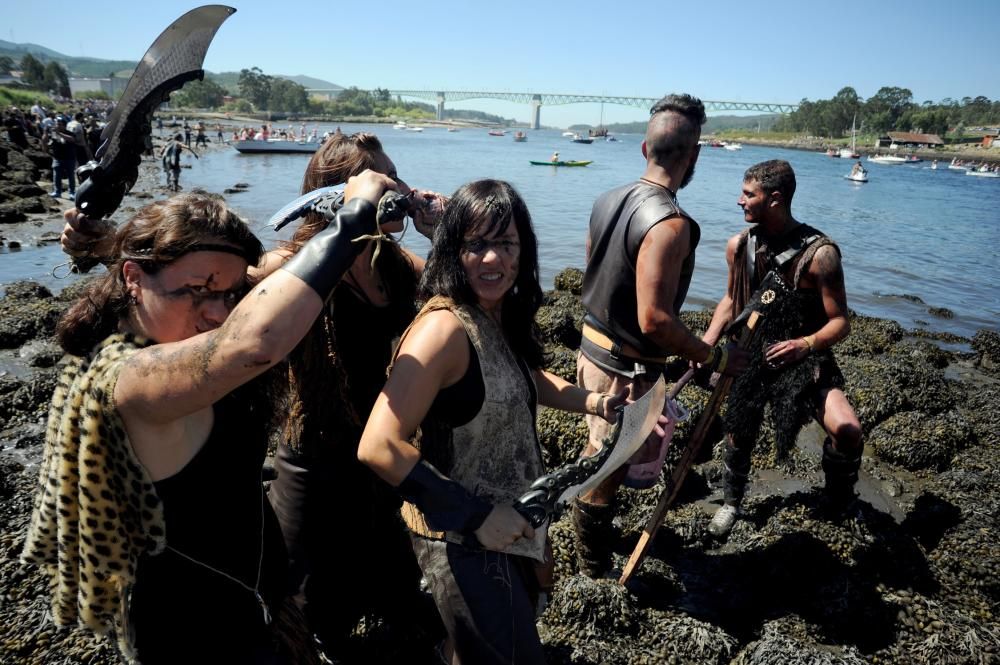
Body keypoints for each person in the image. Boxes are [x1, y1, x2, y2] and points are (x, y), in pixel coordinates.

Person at [21, 172, 397, 663]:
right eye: (198, 290)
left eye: (228, 294)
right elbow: (253, 342)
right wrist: (353, 216)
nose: (217, 313)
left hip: (259, 602)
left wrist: (105, 242)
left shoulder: (172, 320)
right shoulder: (128, 378)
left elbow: (274, 288)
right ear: (133, 279)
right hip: (193, 632)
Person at [357, 179, 629, 665]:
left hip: (510, 528)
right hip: (461, 544)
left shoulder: (493, 313)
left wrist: (594, 402)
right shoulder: (443, 330)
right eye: (475, 245)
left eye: (505, 244)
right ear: (452, 249)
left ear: (523, 251)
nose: (491, 259)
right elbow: (378, 445)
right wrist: (477, 517)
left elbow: (521, 375)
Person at [266, 131, 448, 657]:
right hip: (313, 460)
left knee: (393, 580)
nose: (402, 190)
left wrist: (440, 236)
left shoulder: (393, 263)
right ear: (343, 196)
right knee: (308, 606)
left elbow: (458, 305)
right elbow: (231, 311)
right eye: (386, 182)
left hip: (378, 449)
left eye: (399, 178)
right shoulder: (293, 266)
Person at [571, 93, 748, 578]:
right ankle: (591, 565)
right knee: (609, 467)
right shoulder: (670, 224)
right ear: (693, 155)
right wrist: (708, 357)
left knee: (600, 452)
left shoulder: (606, 198)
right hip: (625, 371)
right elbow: (655, 320)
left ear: (644, 149)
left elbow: (593, 272)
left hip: (591, 348)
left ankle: (584, 529)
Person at [701, 159, 863, 538]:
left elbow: (841, 322)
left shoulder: (820, 254)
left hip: (804, 356)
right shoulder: (739, 246)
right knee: (738, 433)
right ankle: (731, 504)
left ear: (774, 199)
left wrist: (804, 345)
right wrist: (705, 348)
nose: (739, 201)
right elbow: (729, 301)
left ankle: (837, 498)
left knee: (849, 430)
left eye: (748, 194)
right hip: (752, 354)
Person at [44, 115, 77, 200]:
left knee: (71, 176)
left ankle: (72, 193)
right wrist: (45, 134)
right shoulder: (54, 134)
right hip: (57, 158)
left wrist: (59, 133)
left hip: (69, 158)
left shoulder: (70, 133)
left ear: (64, 125)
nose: (57, 126)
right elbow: (49, 144)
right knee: (57, 176)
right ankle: (57, 192)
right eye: (56, 124)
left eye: (59, 124)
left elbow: (72, 139)